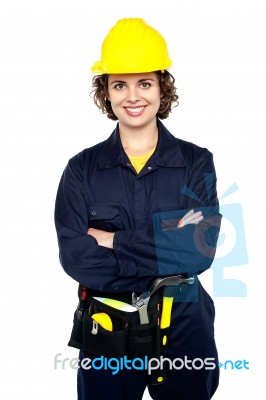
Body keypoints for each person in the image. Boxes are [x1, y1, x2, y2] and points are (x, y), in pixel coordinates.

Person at [54, 18, 222, 400]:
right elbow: (76, 258)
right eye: (120, 85)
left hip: (183, 325)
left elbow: (200, 249)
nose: (133, 96)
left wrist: (113, 240)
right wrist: (167, 243)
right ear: (106, 93)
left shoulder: (196, 163)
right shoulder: (81, 170)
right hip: (107, 326)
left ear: (163, 88)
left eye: (144, 83)